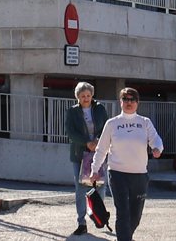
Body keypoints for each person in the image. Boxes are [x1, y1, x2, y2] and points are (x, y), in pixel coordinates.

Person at [85, 87, 163, 241]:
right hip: (117, 173)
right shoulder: (112, 123)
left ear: (137, 103)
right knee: (123, 213)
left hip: (140, 175)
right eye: (125, 99)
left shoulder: (144, 122)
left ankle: (125, 237)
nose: (129, 102)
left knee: (135, 216)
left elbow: (156, 139)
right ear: (120, 102)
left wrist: (157, 148)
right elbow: (101, 149)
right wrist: (95, 170)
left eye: (132, 99)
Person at [64, 81, 111, 236]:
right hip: (80, 154)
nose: (86, 98)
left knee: (101, 186)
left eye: (88, 95)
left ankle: (98, 215)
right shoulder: (72, 112)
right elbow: (70, 132)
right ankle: (81, 222)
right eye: (83, 96)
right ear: (78, 97)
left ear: (92, 96)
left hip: (98, 152)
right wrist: (87, 142)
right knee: (80, 189)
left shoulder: (100, 109)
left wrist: (98, 140)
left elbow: (107, 126)